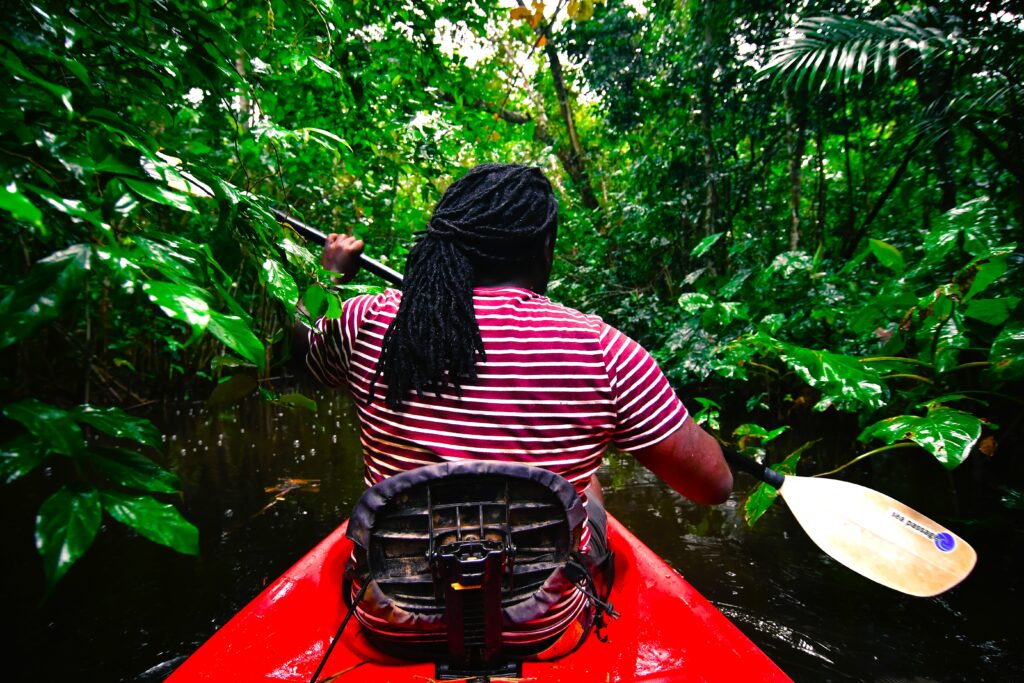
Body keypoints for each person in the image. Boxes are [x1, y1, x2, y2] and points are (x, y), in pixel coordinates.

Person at [302, 163, 731, 657]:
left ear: (446, 239)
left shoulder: (368, 321)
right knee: (585, 480)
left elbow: (301, 348)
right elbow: (714, 485)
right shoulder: (603, 350)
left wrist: (327, 276)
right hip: (540, 630)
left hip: (391, 626)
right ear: (542, 250)